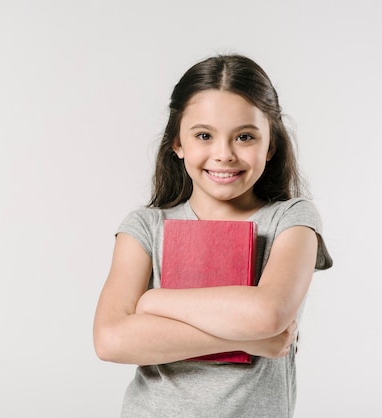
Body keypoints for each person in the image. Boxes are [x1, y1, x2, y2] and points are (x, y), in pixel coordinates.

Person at [93, 54, 333, 418]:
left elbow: (268, 315)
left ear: (270, 146)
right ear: (178, 143)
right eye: (204, 135)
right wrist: (249, 341)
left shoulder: (292, 219)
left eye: (245, 136)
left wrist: (154, 302)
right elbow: (110, 340)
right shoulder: (145, 226)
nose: (224, 154)